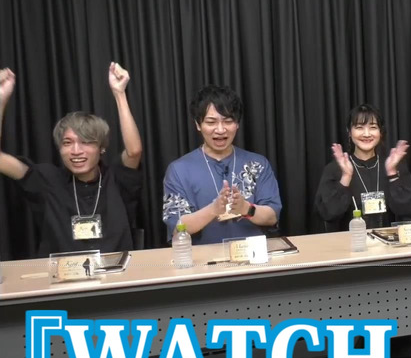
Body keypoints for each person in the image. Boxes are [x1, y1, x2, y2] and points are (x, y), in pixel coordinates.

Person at [0, 64, 143, 257]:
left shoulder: (116, 179)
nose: (76, 151)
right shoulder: (47, 180)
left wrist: (119, 94)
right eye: (67, 143)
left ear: (101, 148)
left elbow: (134, 151)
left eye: (86, 142)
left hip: (116, 272)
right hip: (61, 274)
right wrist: (1, 99)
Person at [162, 85, 282, 245]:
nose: (220, 129)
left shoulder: (257, 164)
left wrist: (245, 208)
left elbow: (272, 216)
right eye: (211, 122)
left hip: (252, 255)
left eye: (228, 121)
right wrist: (213, 209)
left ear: (237, 124)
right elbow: (177, 227)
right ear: (198, 124)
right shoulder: (179, 170)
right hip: (202, 258)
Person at [315, 104, 411, 230]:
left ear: (380, 132)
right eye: (359, 127)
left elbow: (410, 209)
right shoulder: (334, 169)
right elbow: (327, 214)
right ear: (349, 132)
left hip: (389, 240)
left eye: (373, 127)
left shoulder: (394, 165)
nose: (366, 134)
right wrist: (346, 177)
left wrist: (392, 173)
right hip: (351, 240)